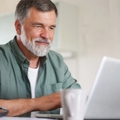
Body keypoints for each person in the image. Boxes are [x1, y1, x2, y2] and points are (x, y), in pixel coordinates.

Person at [0, 0, 81, 117]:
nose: (46, 35)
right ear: (18, 27)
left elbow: (78, 97)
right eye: (38, 26)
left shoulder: (57, 61)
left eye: (51, 28)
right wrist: (42, 102)